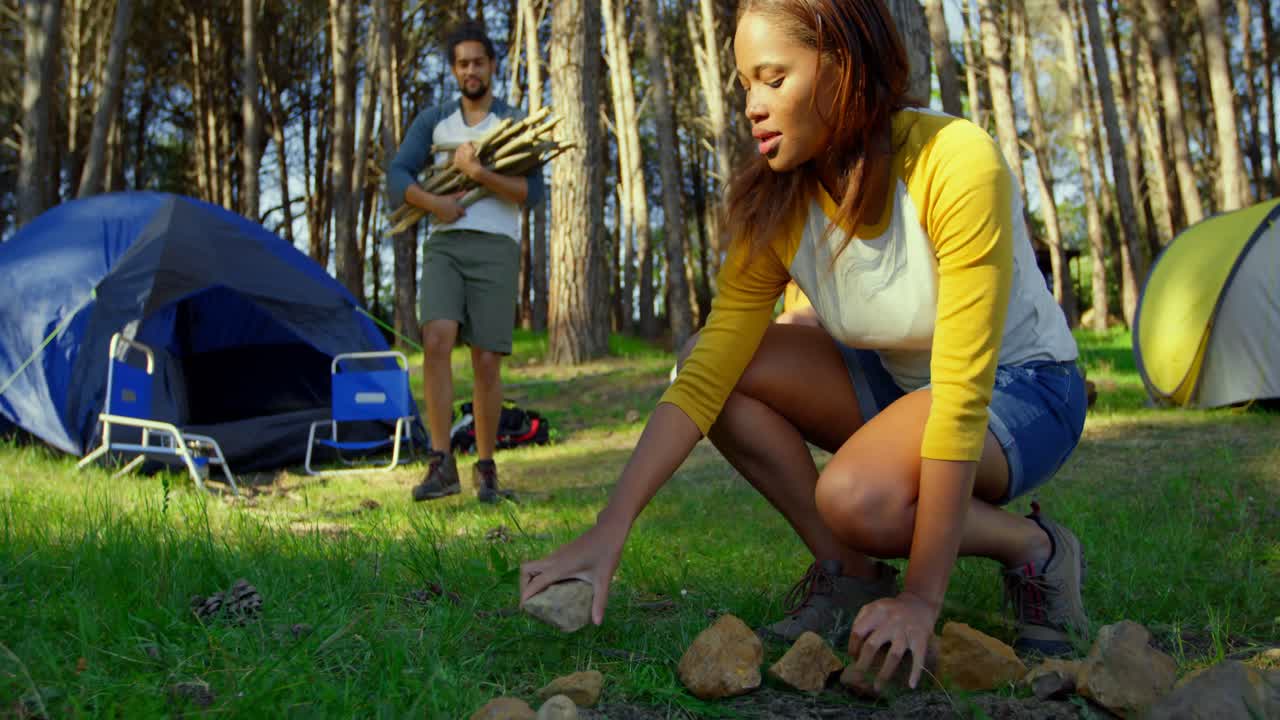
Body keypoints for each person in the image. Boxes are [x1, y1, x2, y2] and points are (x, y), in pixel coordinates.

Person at [520, 0, 1089, 692]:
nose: (753, 106)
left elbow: (963, 394)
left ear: (844, 66)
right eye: (745, 85)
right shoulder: (779, 202)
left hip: (1023, 387)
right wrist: (608, 530)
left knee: (857, 497)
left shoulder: (954, 160)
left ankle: (1033, 546)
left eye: (774, 78)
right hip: (901, 384)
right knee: (713, 363)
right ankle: (851, 572)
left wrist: (922, 600)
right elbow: (705, 375)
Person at [386, 22, 544, 504]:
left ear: (492, 66)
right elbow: (398, 175)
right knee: (436, 339)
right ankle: (441, 463)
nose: (470, 70)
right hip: (446, 244)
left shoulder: (512, 123)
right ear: (454, 71)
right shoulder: (435, 121)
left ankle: (486, 467)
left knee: (486, 359)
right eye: (462, 64)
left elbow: (531, 192)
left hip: (496, 247)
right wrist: (435, 204)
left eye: (478, 62)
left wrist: (479, 173)